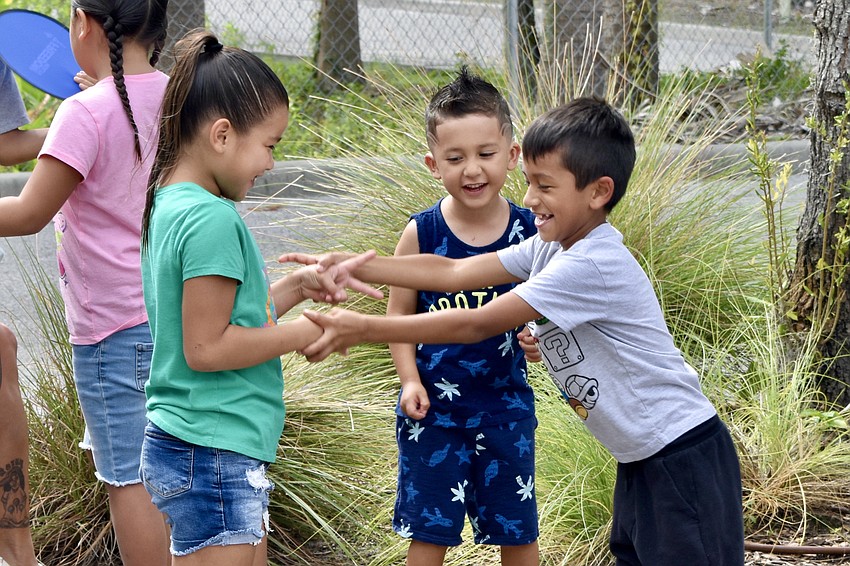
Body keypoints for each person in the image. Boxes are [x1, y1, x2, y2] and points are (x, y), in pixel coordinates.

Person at [287, 97, 746, 565]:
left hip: (681, 455)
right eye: (528, 181)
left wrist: (363, 327)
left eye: (545, 186)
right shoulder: (552, 248)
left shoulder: (590, 263)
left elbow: (476, 321)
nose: (528, 199)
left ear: (598, 191)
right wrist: (355, 264)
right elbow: (451, 272)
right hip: (642, 458)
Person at [138, 30, 379, 565]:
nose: (270, 163)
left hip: (203, 443)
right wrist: (305, 333)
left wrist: (297, 288)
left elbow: (219, 322)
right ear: (222, 134)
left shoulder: (172, 203)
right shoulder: (211, 219)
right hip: (212, 447)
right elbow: (207, 347)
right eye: (269, 145)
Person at [0, 1, 172, 564]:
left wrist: (87, 105)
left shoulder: (88, 112)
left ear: (82, 23)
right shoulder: (182, 95)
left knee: (129, 476)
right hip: (177, 311)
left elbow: (29, 213)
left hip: (113, 330)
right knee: (178, 463)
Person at [382, 66, 539, 566]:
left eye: (486, 154)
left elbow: (548, 309)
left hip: (505, 409)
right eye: (456, 158)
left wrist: (539, 336)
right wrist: (409, 380)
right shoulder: (421, 234)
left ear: (512, 155)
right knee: (430, 534)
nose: (473, 170)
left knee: (517, 533)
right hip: (435, 414)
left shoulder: (532, 234)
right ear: (433, 164)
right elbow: (397, 318)